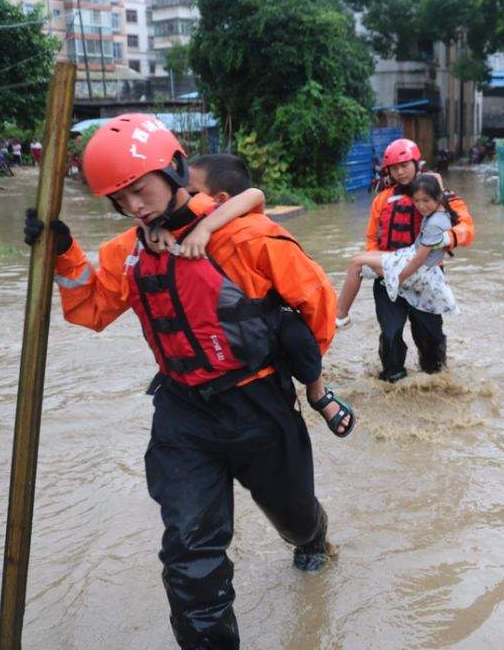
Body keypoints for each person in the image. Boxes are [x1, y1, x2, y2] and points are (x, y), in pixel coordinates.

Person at [22, 114, 342, 649]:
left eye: (140, 191)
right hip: (183, 413)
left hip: (258, 406)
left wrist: (297, 371)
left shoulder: (247, 238)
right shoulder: (128, 252)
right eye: (120, 200)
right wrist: (61, 251)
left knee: (296, 517)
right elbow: (92, 308)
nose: (135, 207)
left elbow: (319, 309)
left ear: (172, 170)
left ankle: (314, 539)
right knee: (189, 554)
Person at [143, 152, 355, 441]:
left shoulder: (248, 233)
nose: (180, 198)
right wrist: (148, 227)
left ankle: (317, 392)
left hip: (263, 334)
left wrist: (205, 226)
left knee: (296, 332)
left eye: (189, 193)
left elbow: (254, 194)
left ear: (218, 200)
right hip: (204, 363)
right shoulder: (161, 235)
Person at [364, 138, 474, 382]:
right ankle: (393, 377)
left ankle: (435, 377)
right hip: (390, 275)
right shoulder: (382, 200)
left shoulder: (442, 196)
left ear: (417, 164)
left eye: (405, 165)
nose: (400, 172)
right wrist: (377, 266)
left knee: (430, 336)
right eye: (394, 168)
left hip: (426, 277)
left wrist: (446, 237)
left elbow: (467, 229)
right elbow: (372, 239)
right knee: (390, 333)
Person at [336, 173, 458, 327]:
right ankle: (339, 310)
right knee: (362, 257)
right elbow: (437, 179)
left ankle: (341, 316)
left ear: (438, 196)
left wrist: (397, 279)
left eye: (426, 200)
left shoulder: (434, 224)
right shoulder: (442, 210)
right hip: (414, 259)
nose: (421, 206)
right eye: (417, 201)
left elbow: (419, 259)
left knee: (356, 263)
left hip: (417, 270)